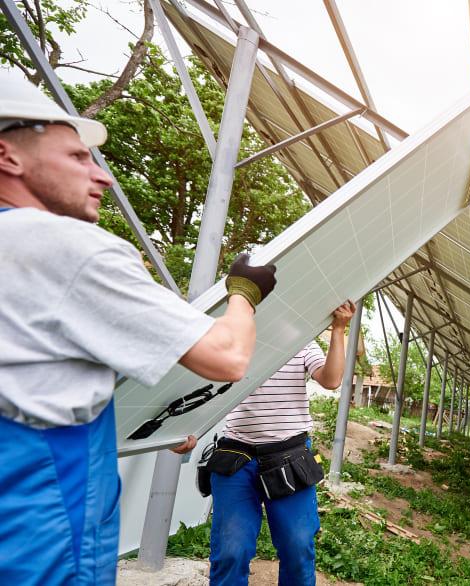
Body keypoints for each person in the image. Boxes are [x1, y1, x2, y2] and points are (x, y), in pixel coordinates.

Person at [0, 74, 278, 584]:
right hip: (41, 534)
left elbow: (38, 384)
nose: (101, 176)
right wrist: (245, 291)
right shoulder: (63, 246)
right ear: (8, 156)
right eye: (77, 157)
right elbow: (227, 356)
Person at [194, 301, 356, 586]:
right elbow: (196, 389)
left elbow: (331, 380)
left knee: (297, 547)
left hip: (289, 458)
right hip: (236, 458)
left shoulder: (301, 342)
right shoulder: (231, 341)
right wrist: (179, 432)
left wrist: (338, 330)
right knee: (231, 550)